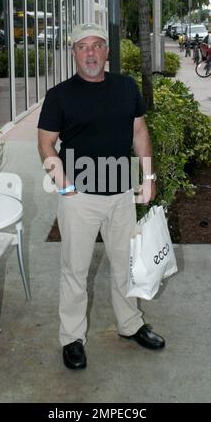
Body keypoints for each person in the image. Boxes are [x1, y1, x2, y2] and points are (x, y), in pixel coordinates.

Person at [37, 23, 165, 370]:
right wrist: (63, 184)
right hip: (79, 197)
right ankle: (72, 338)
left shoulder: (126, 87)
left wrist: (148, 176)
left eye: (97, 46)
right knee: (74, 270)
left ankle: (130, 323)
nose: (90, 53)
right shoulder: (59, 95)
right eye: (83, 47)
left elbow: (139, 130)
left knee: (126, 264)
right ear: (74, 53)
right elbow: (46, 142)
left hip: (122, 192)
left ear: (107, 51)